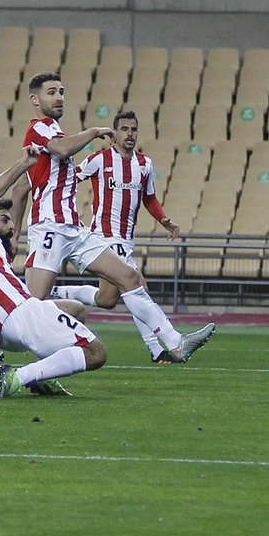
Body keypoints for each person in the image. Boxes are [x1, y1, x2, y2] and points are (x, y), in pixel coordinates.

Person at [10, 71, 215, 363]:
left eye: (61, 91)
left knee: (129, 277)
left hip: (75, 229)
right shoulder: (39, 130)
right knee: (31, 305)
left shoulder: (57, 133)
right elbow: (60, 152)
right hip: (49, 229)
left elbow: (25, 185)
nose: (59, 97)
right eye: (51, 92)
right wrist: (94, 131)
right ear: (35, 99)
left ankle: (175, 342)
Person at [49, 109, 184, 363]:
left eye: (134, 129)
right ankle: (159, 349)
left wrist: (164, 220)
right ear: (113, 135)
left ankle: (61, 292)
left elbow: (149, 198)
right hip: (103, 238)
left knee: (107, 299)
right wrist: (66, 211)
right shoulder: (99, 160)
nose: (130, 134)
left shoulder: (144, 165)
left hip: (126, 240)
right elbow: (69, 180)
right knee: (138, 286)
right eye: (124, 129)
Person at [0, 195, 108, 399]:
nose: (11, 226)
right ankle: (21, 375)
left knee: (75, 310)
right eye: (4, 219)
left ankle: (43, 376)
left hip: (2, 331)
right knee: (96, 353)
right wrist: (23, 163)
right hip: (21, 314)